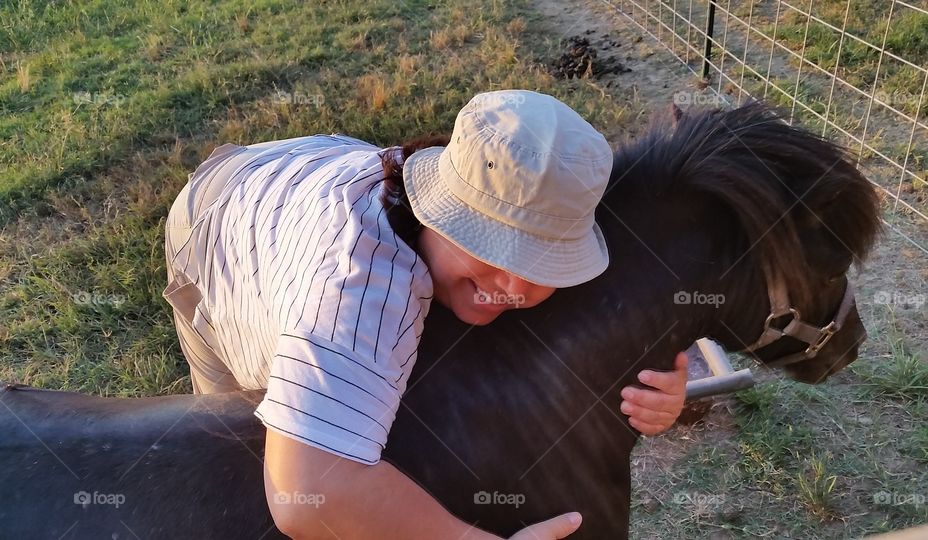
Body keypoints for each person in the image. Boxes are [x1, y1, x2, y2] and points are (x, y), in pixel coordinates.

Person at [162, 89, 688, 539]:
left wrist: (656, 387)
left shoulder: (479, 227)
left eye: (543, 259)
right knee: (232, 436)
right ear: (437, 210)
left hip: (312, 166)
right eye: (495, 246)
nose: (513, 285)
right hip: (221, 216)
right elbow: (303, 493)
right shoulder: (360, 282)